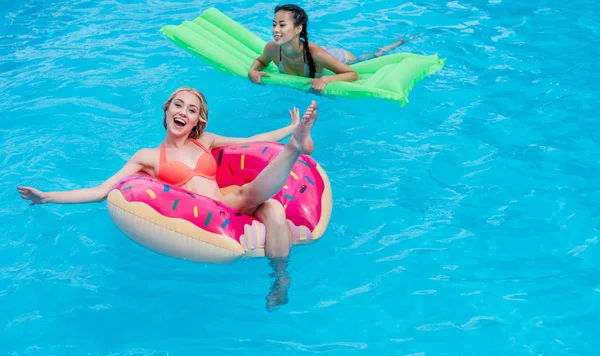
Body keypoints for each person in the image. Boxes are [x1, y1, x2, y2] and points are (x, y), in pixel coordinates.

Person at [17, 86, 318, 311]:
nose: (183, 112)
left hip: (231, 201)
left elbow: (250, 142)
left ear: (198, 119)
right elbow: (101, 190)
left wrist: (290, 127)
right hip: (213, 214)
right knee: (248, 194)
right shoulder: (148, 157)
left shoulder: (206, 141)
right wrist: (47, 197)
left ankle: (280, 280)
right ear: (166, 109)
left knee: (276, 208)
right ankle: (293, 149)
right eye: (178, 105)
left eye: (191, 109)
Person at [248, 4, 418, 93]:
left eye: (282, 25)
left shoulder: (314, 54)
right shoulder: (272, 48)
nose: (275, 30)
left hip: (340, 58)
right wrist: (253, 71)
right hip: (321, 54)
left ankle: (400, 41)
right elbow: (260, 61)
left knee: (372, 56)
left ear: (298, 29)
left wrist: (326, 80)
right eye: (274, 24)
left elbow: (353, 74)